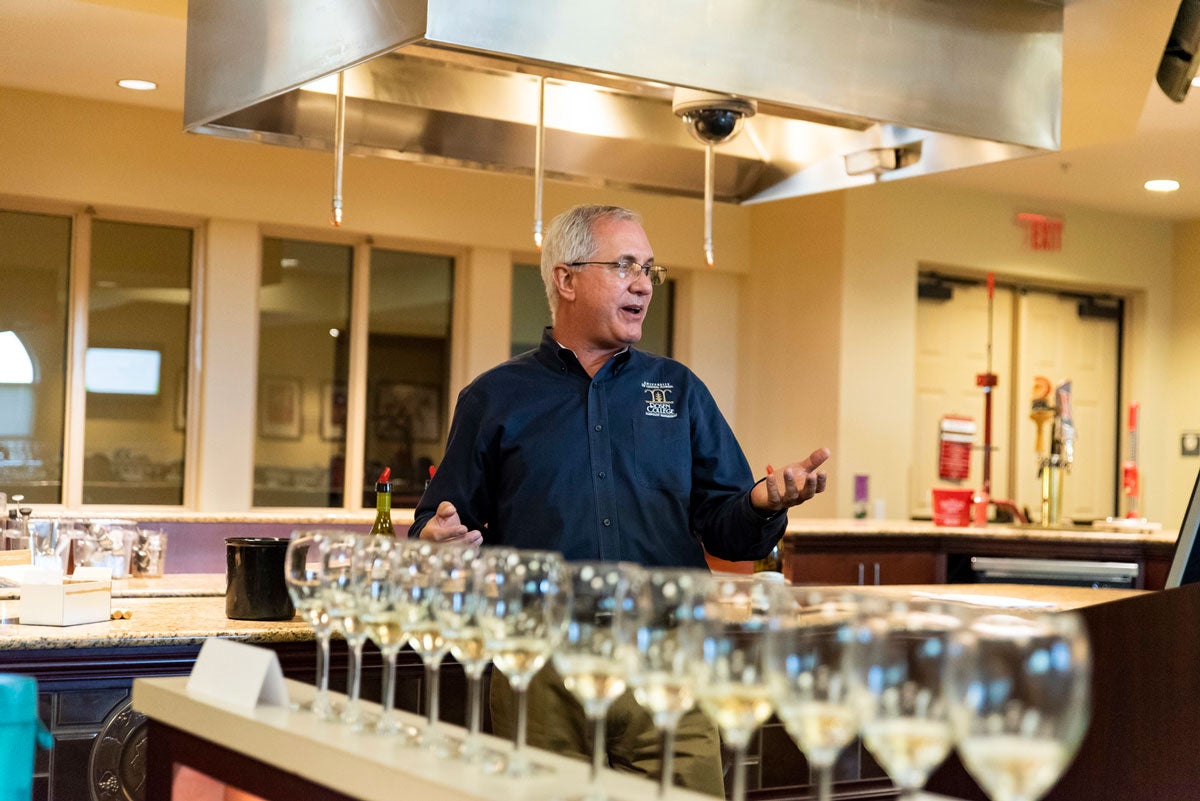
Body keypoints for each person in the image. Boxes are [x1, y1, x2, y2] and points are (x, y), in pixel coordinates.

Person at [409, 203, 829, 796]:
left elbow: (727, 529)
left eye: (649, 271)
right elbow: (437, 524)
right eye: (625, 265)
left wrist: (763, 504)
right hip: (541, 667)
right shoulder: (494, 398)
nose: (642, 284)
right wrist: (436, 538)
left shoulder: (680, 390)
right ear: (566, 278)